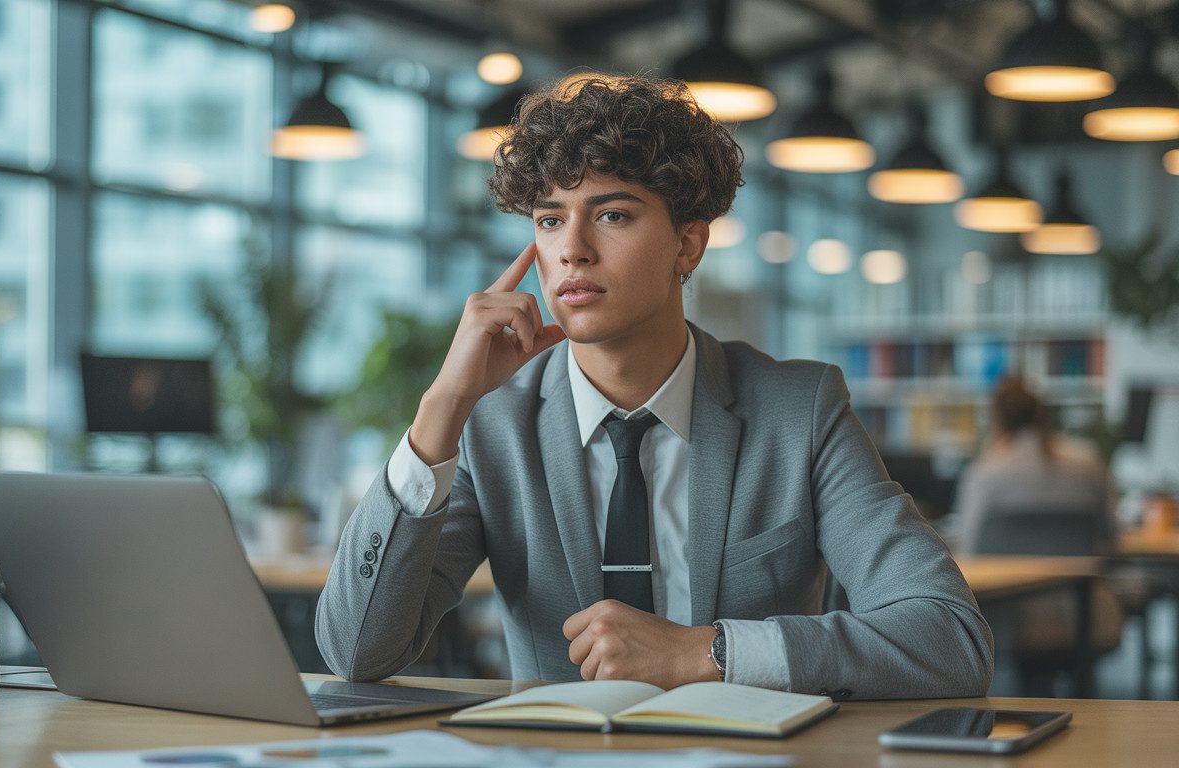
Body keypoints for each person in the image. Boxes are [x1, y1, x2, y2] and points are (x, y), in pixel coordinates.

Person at [316, 75, 993, 699]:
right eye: (551, 219)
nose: (572, 248)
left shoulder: (799, 411)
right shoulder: (491, 425)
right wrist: (442, 408)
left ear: (687, 246)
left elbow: (949, 639)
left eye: (612, 215)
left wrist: (709, 653)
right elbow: (356, 652)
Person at [955, 376, 1122, 695]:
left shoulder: (987, 472)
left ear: (997, 420)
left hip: (1010, 621)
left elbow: (969, 551)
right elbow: (1111, 536)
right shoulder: (1087, 462)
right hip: (1085, 614)